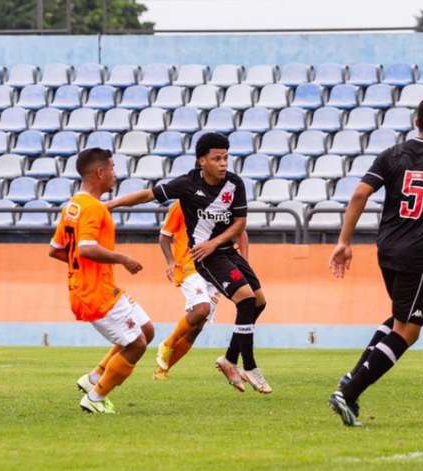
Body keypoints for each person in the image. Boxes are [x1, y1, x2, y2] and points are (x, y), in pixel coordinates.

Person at [327, 95, 423, 426]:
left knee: (398, 318)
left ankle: (351, 380)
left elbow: (360, 193)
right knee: (409, 329)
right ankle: (349, 393)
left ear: (416, 121)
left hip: (386, 249)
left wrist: (344, 241)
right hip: (418, 255)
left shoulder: (392, 154)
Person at [106, 133, 271, 394]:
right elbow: (148, 195)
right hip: (205, 258)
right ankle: (248, 365)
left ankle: (229, 359)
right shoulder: (186, 184)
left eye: (226, 158)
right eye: (217, 158)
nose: (223, 163)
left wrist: (217, 243)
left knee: (259, 303)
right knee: (244, 301)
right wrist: (112, 204)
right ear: (201, 161)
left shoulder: (234, 184)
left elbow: (240, 224)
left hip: (225, 251)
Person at [49, 148, 155, 414]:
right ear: (100, 172)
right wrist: (123, 259)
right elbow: (85, 248)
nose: (115, 175)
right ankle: (95, 398)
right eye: (112, 169)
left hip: (100, 287)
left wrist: (85, 269)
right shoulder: (94, 209)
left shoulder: (73, 205)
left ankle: (95, 378)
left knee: (147, 329)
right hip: (95, 292)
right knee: (137, 345)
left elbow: (57, 249)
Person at [153, 198, 249, 380]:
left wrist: (244, 264)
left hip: (216, 268)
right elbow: (164, 236)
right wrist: (171, 262)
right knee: (201, 308)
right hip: (189, 265)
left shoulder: (223, 202)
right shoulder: (181, 204)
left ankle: (162, 370)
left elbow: (241, 232)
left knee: (197, 327)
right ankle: (167, 343)